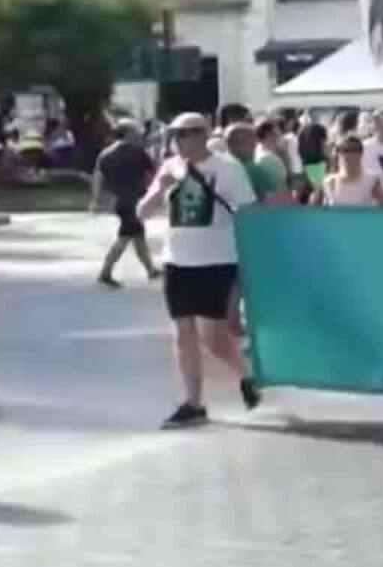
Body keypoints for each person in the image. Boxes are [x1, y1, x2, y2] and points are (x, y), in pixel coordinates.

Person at [137, 112, 259, 428]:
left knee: (216, 336)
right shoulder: (170, 168)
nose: (180, 141)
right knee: (183, 333)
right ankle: (193, 402)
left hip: (218, 259)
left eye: (187, 134)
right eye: (176, 135)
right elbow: (142, 212)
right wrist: (159, 189)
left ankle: (248, 378)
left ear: (203, 135)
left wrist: (249, 262)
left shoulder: (228, 169)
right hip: (178, 260)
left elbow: (249, 214)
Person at [90, 122, 161, 288]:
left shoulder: (105, 154)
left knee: (138, 236)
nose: (138, 134)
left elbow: (98, 177)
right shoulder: (137, 152)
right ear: (127, 133)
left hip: (119, 200)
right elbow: (153, 173)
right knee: (124, 237)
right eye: (135, 131)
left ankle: (150, 270)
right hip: (134, 200)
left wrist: (96, 199)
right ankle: (105, 272)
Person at [320, 135, 377, 205]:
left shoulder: (372, 180)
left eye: (355, 150)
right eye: (345, 150)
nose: (349, 154)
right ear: (338, 153)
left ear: (361, 153)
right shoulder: (328, 181)